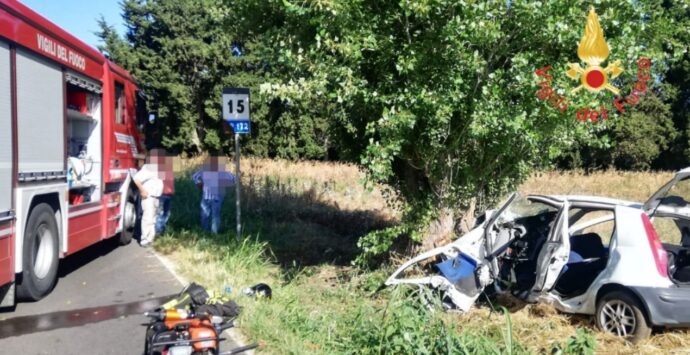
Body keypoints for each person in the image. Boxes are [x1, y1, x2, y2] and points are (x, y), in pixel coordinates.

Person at [192, 156, 235, 234]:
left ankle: (213, 233)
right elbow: (195, 177)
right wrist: (199, 184)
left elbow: (233, 179)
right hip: (206, 196)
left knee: (215, 215)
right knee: (205, 215)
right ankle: (205, 231)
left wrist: (225, 184)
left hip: (217, 197)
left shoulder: (222, 173)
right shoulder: (204, 172)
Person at [133, 150, 164, 247]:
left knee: (153, 219)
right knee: (148, 219)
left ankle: (150, 238)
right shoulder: (149, 168)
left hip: (155, 197)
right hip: (149, 197)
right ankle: (145, 240)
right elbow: (136, 179)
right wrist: (142, 191)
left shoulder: (156, 169)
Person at [156, 152, 175, 235]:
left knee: (167, 213)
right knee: (160, 213)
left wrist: (173, 190)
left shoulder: (169, 170)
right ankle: (158, 231)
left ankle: (161, 228)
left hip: (169, 194)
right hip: (162, 194)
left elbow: (171, 182)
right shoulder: (159, 170)